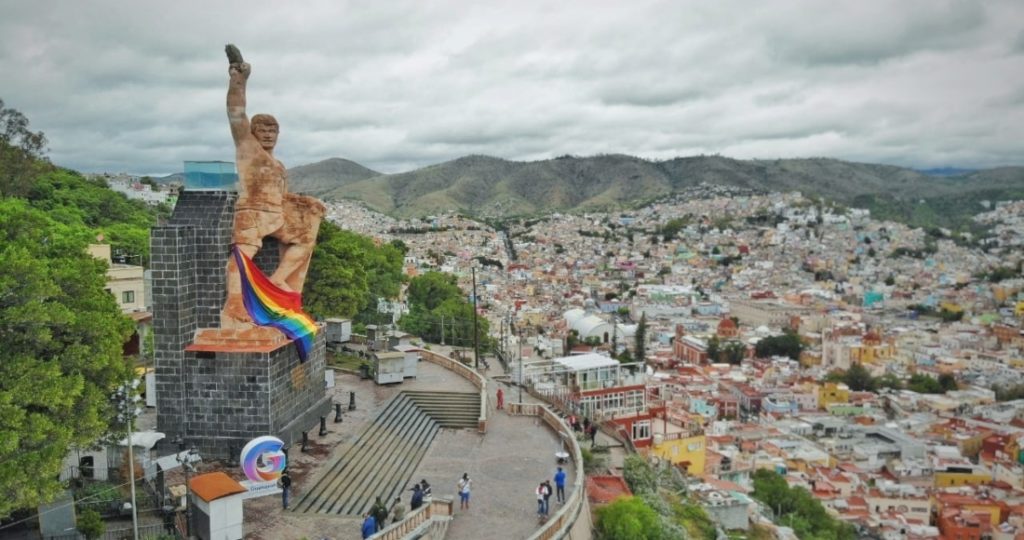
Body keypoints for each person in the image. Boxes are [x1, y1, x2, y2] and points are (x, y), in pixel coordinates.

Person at [221, 52, 326, 328]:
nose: (268, 135)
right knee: (242, 256)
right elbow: (236, 113)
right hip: (252, 213)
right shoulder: (248, 149)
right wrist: (238, 81)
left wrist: (308, 203)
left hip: (276, 214)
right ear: (253, 132)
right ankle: (233, 304)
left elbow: (281, 196)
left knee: (305, 238)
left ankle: (279, 279)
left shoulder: (278, 165)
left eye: (273, 131)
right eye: (263, 130)